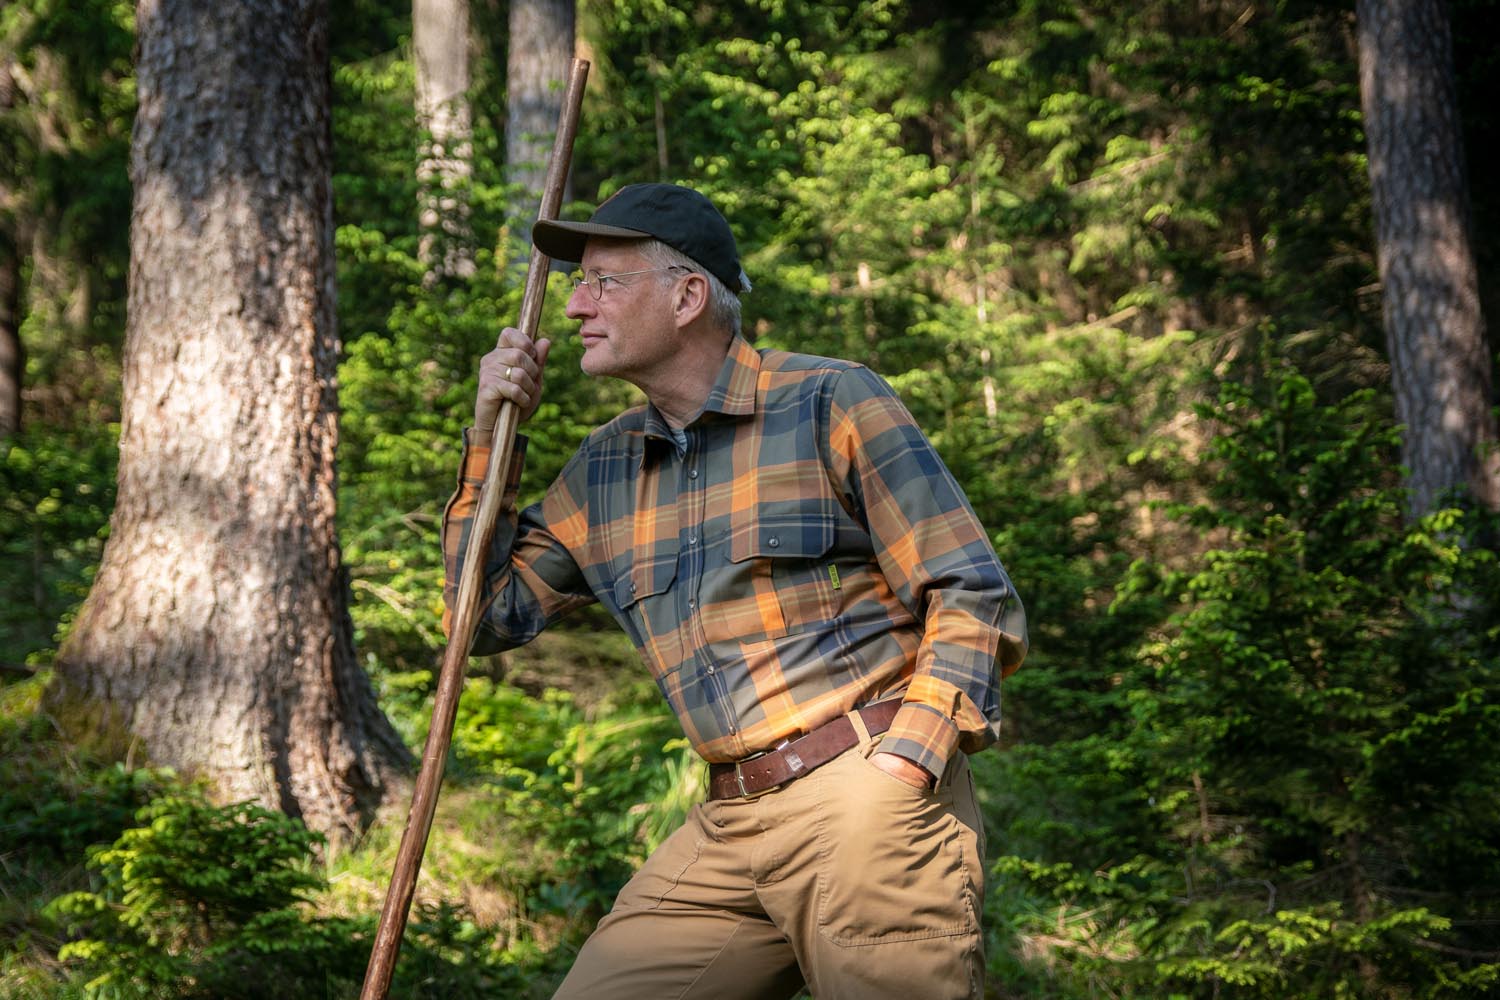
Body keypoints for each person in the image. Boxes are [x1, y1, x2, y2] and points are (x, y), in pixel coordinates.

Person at [442, 182, 1028, 1000]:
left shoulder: (829, 400)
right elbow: (483, 617)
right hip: (728, 820)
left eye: (603, 281)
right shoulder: (605, 468)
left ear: (686, 297)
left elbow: (970, 587)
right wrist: (489, 437)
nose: (575, 307)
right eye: (578, 284)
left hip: (864, 795)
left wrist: (908, 760)